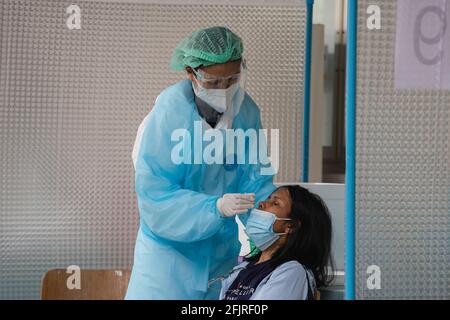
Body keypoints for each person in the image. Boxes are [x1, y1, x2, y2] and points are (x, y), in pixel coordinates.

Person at [125, 26, 276, 300]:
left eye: (232, 79)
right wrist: (213, 207)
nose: (224, 89)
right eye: (214, 82)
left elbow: (256, 182)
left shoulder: (246, 113)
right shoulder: (166, 118)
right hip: (167, 262)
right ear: (190, 73)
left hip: (221, 257)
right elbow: (155, 197)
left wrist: (269, 229)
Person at [219, 185, 335, 300]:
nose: (262, 203)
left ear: (291, 225)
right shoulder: (243, 268)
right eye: (268, 198)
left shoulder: (291, 272)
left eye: (275, 203)